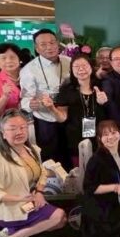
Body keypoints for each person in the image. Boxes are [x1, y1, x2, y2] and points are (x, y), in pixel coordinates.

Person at [0, 110, 68, 237]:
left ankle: (13, 231)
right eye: (13, 128)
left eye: (22, 127)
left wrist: (39, 192)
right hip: (8, 207)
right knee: (58, 216)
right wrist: (21, 198)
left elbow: (42, 172)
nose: (19, 132)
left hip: (27, 203)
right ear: (3, 133)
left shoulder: (32, 150)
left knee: (61, 221)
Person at [19, 29, 72, 165]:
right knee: (50, 158)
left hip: (69, 117)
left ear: (57, 44)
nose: (49, 47)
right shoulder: (29, 69)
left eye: (52, 42)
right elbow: (25, 99)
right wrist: (30, 104)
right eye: (43, 44)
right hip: (46, 120)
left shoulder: (69, 62)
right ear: (36, 48)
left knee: (71, 155)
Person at [53, 54, 108, 167]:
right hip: (75, 137)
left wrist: (104, 103)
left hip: (100, 136)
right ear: (71, 70)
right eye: (76, 66)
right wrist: (51, 108)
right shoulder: (66, 90)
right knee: (80, 168)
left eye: (84, 65)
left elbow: (111, 111)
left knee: (100, 167)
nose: (81, 69)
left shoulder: (102, 86)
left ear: (91, 67)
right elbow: (61, 118)